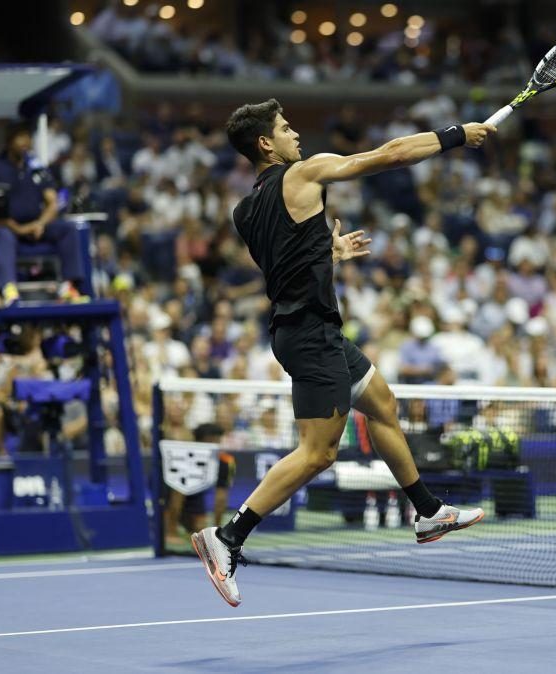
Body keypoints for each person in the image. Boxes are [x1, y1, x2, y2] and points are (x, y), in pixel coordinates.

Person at [191, 99, 495, 606]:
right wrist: (457, 135)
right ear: (266, 144)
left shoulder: (244, 211)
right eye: (285, 129)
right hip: (311, 336)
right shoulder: (306, 173)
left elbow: (286, 267)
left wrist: (328, 253)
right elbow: (393, 153)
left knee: (382, 403)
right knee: (318, 453)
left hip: (308, 331)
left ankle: (427, 511)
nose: (295, 136)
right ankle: (227, 538)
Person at [0, 123, 88, 306]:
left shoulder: (35, 166)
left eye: (27, 137)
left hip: (36, 226)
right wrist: (20, 229)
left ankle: (69, 286)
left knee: (68, 229)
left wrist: (40, 224)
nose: (24, 142)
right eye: (19, 137)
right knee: (3, 235)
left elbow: (52, 201)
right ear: (9, 141)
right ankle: (9, 289)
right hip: (8, 227)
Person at [163, 423, 235, 546]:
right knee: (175, 497)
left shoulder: (226, 461)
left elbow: (221, 498)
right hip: (167, 493)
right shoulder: (186, 456)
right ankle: (170, 530)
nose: (216, 444)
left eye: (218, 440)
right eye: (213, 440)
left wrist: (217, 532)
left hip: (195, 496)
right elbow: (177, 493)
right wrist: (171, 533)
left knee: (199, 530)